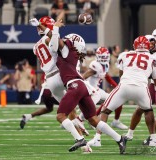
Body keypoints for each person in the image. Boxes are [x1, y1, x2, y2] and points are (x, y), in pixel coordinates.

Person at [34, 18, 127, 153]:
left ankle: (79, 139)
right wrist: (46, 27)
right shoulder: (73, 53)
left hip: (72, 85)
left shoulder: (65, 50)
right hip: (81, 86)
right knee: (94, 120)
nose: (64, 40)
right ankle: (119, 139)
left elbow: (54, 43)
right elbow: (56, 43)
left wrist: (50, 27)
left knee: (60, 116)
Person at [26, 17, 87, 151]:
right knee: (81, 98)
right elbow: (54, 45)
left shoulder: (35, 47)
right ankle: (83, 121)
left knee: (66, 111)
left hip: (50, 81)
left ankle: (80, 139)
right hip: (61, 75)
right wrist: (55, 30)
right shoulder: (49, 38)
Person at [100, 36, 156, 145]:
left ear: (134, 46)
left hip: (124, 86)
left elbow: (121, 74)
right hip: (141, 88)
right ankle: (153, 138)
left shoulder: (124, 55)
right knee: (148, 110)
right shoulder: (153, 59)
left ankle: (97, 138)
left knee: (105, 111)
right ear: (148, 46)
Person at [78, 47, 127, 147]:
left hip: (98, 91)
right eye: (102, 57)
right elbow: (83, 77)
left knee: (116, 100)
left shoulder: (105, 65)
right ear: (97, 56)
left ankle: (116, 121)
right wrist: (85, 89)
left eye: (105, 57)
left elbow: (107, 77)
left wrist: (117, 86)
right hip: (92, 90)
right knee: (89, 110)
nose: (104, 59)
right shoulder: (95, 65)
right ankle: (79, 120)